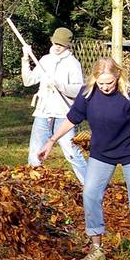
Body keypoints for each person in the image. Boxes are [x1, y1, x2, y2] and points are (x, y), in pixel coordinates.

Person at [39, 57, 130, 260]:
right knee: (90, 193)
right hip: (102, 152)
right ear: (94, 79)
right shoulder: (87, 93)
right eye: (101, 83)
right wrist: (51, 141)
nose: (105, 87)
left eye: (109, 83)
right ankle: (96, 248)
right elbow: (72, 118)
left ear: (117, 76)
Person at [22, 27, 87, 183]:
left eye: (61, 44)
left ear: (68, 46)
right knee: (35, 153)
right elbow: (28, 81)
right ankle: (34, 184)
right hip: (43, 113)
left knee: (72, 154)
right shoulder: (45, 60)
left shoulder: (73, 64)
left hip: (63, 115)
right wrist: (25, 59)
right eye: (56, 42)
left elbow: (79, 90)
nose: (57, 46)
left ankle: (91, 185)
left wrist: (60, 85)